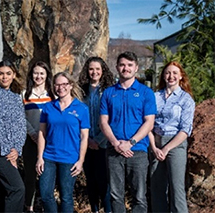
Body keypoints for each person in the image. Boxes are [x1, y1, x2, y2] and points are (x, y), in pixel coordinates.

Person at [100, 51, 157, 213]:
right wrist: (116, 143)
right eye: (123, 65)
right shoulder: (109, 93)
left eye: (130, 65)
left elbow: (149, 122)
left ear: (136, 68)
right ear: (117, 67)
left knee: (139, 196)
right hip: (114, 150)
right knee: (115, 195)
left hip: (137, 151)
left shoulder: (146, 93)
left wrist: (131, 142)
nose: (126, 68)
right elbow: (103, 122)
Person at [36, 71, 90, 213]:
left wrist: (81, 161)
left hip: (69, 158)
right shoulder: (48, 107)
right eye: (57, 85)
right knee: (46, 194)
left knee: (66, 197)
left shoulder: (82, 108)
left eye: (64, 84)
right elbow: (42, 133)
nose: (60, 87)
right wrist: (40, 157)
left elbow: (84, 137)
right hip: (49, 157)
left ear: (71, 85)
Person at [149, 61, 195, 213]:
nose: (171, 76)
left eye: (175, 73)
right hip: (155, 143)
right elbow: (148, 123)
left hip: (175, 144)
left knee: (176, 187)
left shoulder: (186, 99)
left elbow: (185, 129)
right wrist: (155, 147)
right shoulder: (155, 97)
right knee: (157, 186)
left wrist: (167, 148)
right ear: (163, 75)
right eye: (168, 73)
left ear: (181, 76)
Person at [0, 60, 26, 212]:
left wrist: (17, 149)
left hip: (12, 151)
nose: (4, 77)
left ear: (14, 75)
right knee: (17, 189)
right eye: (1, 74)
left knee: (3, 191)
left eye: (8, 74)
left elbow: (21, 125)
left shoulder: (16, 97)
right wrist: (9, 150)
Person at [78, 56, 114, 213]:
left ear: (103, 71)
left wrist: (98, 140)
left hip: (103, 143)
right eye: (91, 69)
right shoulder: (81, 91)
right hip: (85, 142)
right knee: (90, 181)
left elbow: (112, 118)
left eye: (97, 69)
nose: (94, 72)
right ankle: (94, 209)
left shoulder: (108, 91)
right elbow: (77, 116)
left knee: (103, 181)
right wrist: (87, 140)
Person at [22, 61, 56, 212]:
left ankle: (44, 207)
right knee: (29, 177)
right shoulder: (24, 94)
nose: (39, 76)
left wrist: (44, 135)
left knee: (46, 178)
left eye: (42, 73)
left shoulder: (53, 94)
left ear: (47, 75)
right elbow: (21, 118)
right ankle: (28, 207)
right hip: (30, 141)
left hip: (49, 142)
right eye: (36, 73)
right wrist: (33, 134)